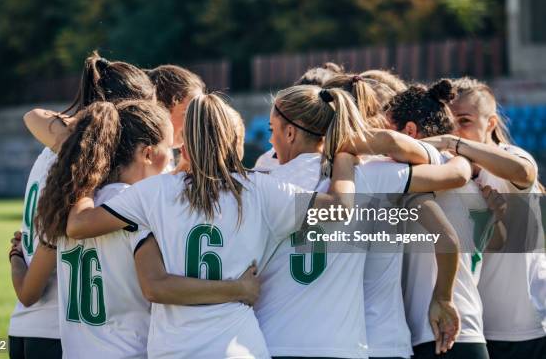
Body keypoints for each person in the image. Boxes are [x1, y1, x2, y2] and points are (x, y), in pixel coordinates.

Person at [65, 93, 359, 358]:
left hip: (174, 349)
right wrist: (345, 154)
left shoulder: (155, 191)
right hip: (238, 347)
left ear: (186, 142)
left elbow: (78, 225)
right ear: (235, 139)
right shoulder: (262, 190)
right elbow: (340, 207)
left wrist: (89, 174)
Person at [26, 99, 260, 359]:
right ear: (148, 154)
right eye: (170, 152)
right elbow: (157, 286)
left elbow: (27, 289)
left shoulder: (73, 205)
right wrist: (238, 289)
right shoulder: (137, 208)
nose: (175, 159)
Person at [255, 82, 464, 359]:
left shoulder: (262, 179)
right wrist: (454, 145)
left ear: (290, 132)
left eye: (273, 131)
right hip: (351, 345)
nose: (271, 141)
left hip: (274, 340)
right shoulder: (370, 174)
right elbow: (457, 173)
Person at [7, 51, 155, 359]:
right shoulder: (87, 171)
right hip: (57, 330)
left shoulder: (58, 151)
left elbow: (34, 116)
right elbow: (42, 267)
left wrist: (16, 261)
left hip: (30, 327)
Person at [423, 77, 546, 359]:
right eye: (449, 121)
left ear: (490, 124)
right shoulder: (447, 171)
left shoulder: (507, 157)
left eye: (464, 120)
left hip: (524, 328)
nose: (455, 129)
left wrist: (453, 144)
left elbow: (524, 172)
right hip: (476, 329)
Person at [387, 79, 496, 359]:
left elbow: (448, 240)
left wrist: (442, 297)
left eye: (389, 132)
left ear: (409, 131)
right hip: (467, 330)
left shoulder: (420, 176)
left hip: (437, 332)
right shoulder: (469, 177)